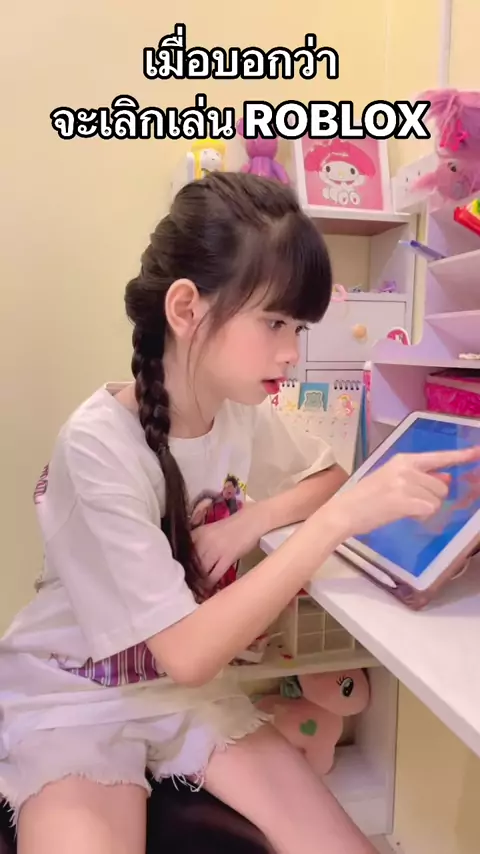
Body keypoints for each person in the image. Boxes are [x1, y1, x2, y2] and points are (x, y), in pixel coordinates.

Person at [0, 172, 478, 854]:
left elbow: (331, 477)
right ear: (186, 308)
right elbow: (189, 653)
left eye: (299, 327)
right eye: (275, 323)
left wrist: (252, 521)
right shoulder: (96, 445)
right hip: (69, 696)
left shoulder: (238, 412)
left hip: (184, 700)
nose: (292, 351)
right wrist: (334, 524)